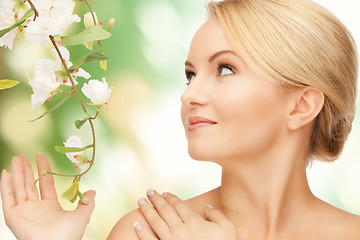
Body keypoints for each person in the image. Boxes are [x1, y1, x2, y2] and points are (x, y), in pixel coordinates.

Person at [1, 0, 359, 239]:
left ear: (301, 106)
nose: (189, 95)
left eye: (224, 69)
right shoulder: (145, 232)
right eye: (190, 74)